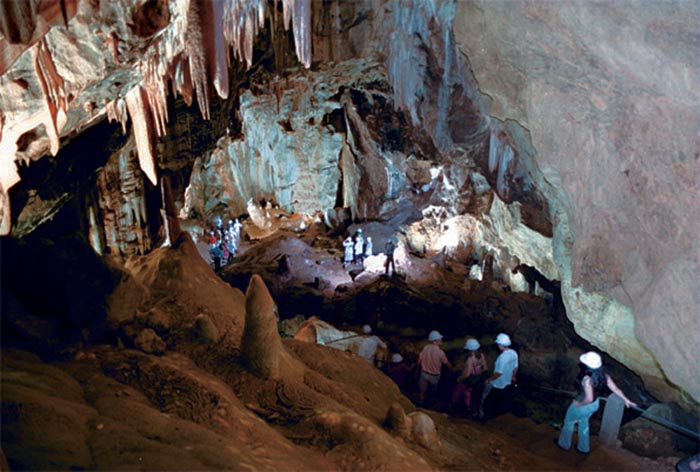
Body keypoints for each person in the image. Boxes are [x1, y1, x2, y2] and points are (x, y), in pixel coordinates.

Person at [557, 351, 637, 454]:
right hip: (595, 404)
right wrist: (627, 400)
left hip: (585, 404)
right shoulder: (604, 376)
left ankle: (564, 444)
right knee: (583, 422)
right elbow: (616, 389)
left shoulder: (587, 380)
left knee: (568, 422)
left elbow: (589, 398)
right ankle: (583, 448)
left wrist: (578, 404)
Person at [480, 333, 518, 420]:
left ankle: (486, 418)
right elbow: (516, 367)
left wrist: (488, 380)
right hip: (507, 383)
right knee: (501, 402)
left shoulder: (502, 357)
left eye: (498, 344)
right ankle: (497, 417)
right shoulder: (513, 353)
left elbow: (499, 373)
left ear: (500, 344)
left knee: (487, 401)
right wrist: (513, 376)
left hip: (498, 384)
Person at [451, 338, 489, 414]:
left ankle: (453, 406)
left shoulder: (470, 359)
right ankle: (469, 408)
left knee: (458, 392)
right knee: (469, 393)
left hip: (469, 380)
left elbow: (467, 374)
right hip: (477, 379)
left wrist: (459, 378)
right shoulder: (481, 356)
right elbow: (485, 368)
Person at [417, 330, 452, 407]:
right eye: (440, 339)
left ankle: (420, 405)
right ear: (436, 340)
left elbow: (419, 360)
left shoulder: (425, 348)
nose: (441, 340)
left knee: (422, 391)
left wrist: (417, 369)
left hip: (424, 373)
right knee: (432, 392)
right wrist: (452, 369)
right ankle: (429, 405)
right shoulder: (440, 352)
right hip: (434, 376)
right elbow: (446, 363)